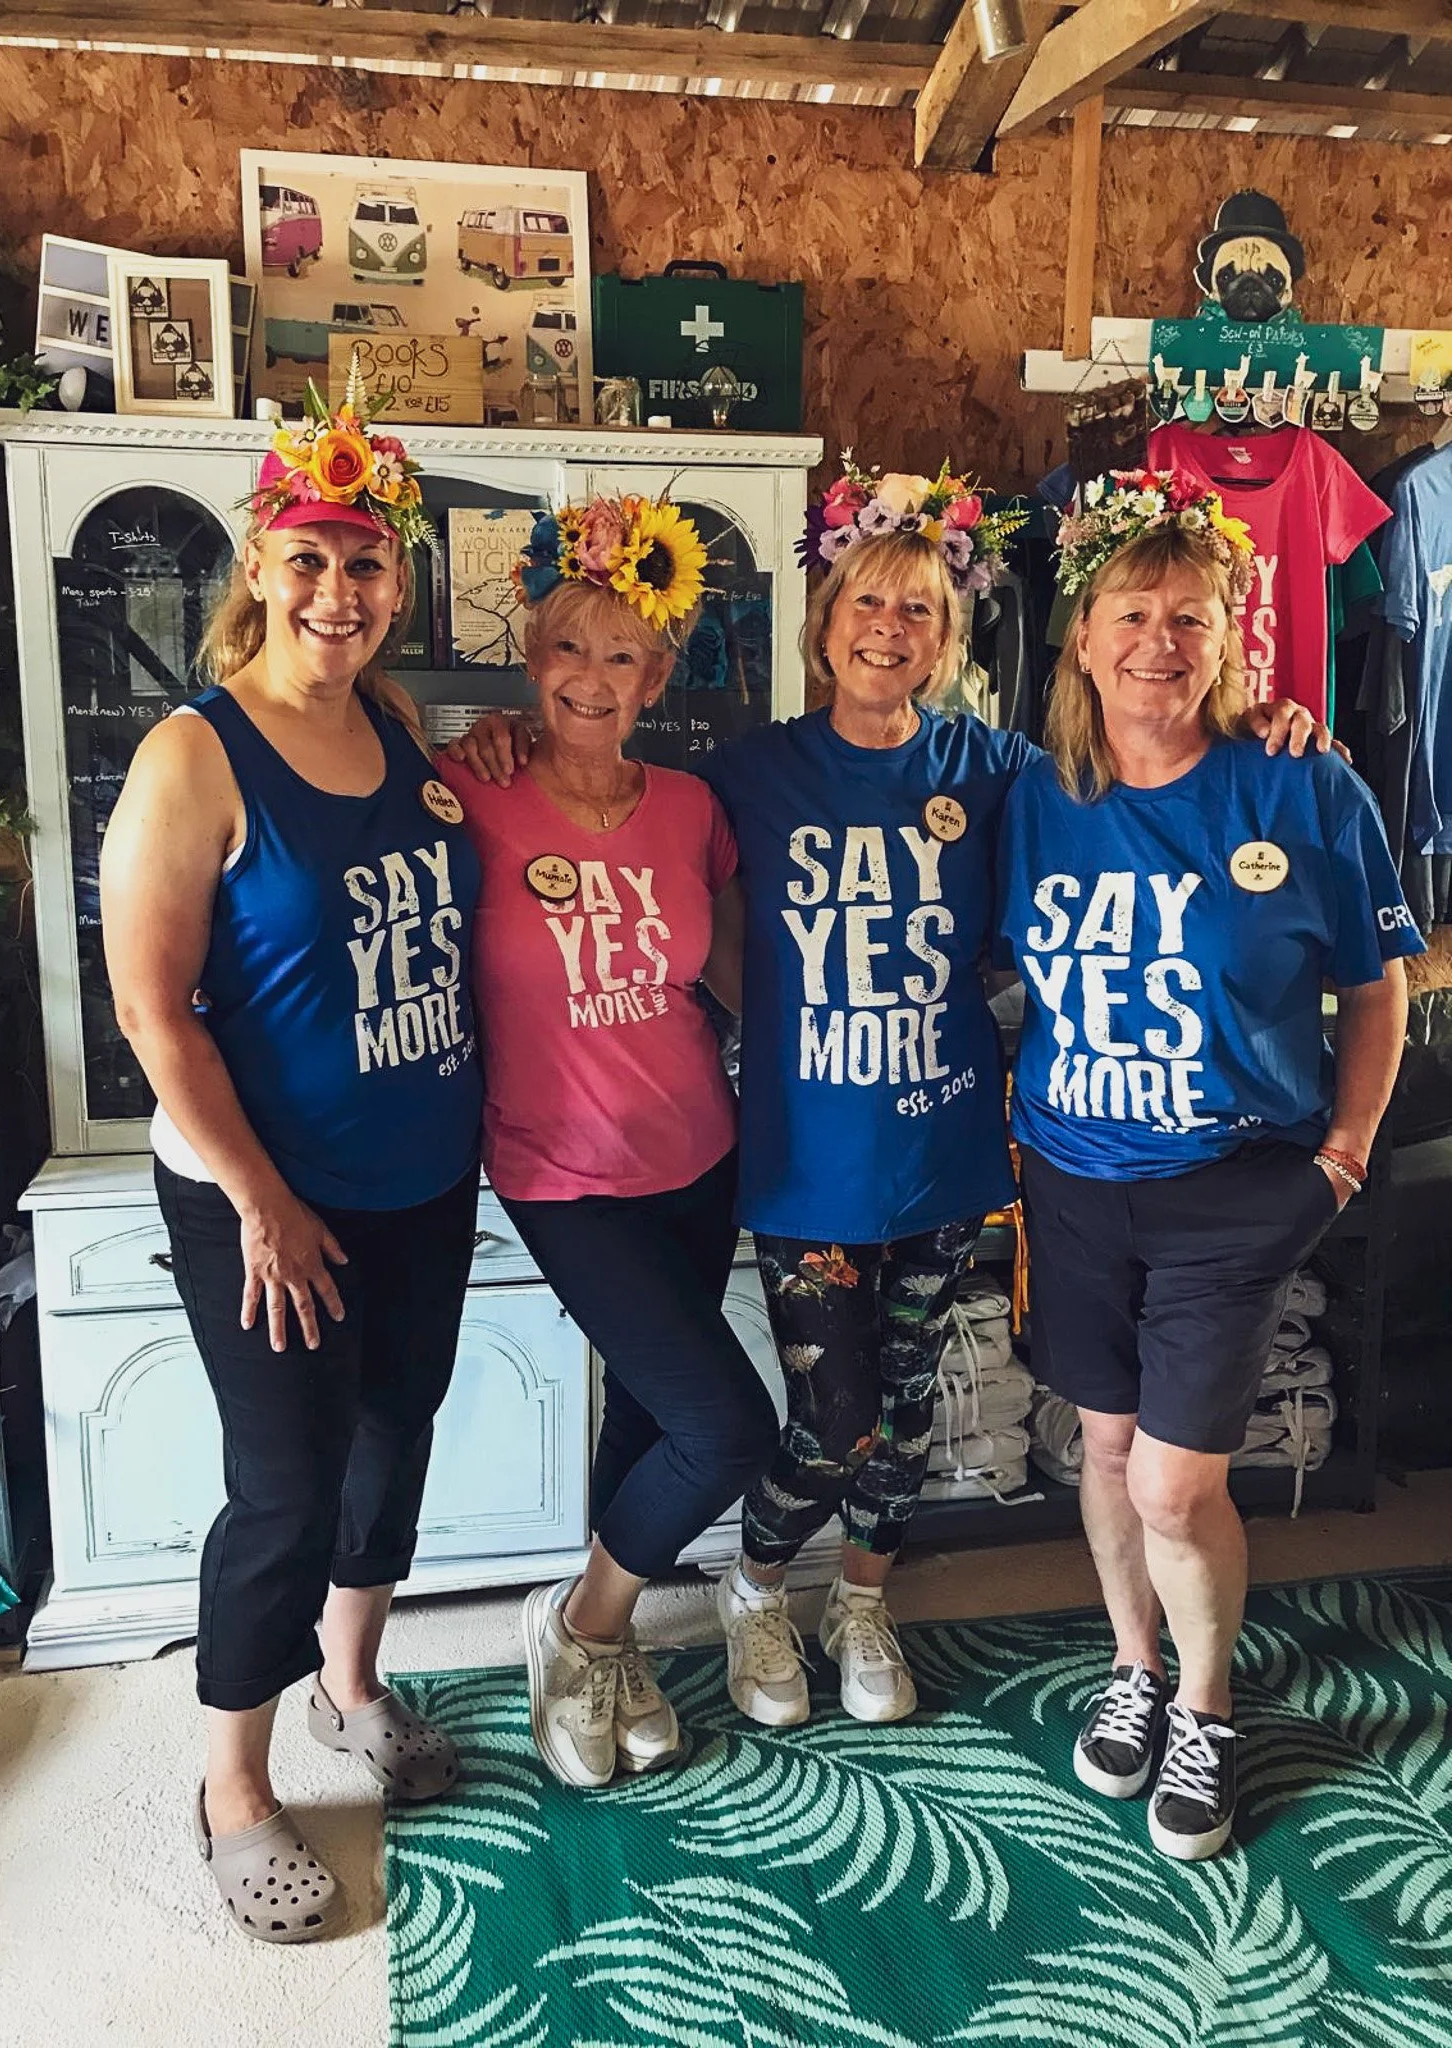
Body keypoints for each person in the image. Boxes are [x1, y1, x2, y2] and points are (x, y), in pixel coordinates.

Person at [453, 458, 1325, 1735]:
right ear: (825, 622)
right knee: (833, 1412)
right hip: (804, 1154)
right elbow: (652, 849)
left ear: (948, 634)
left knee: (911, 1406)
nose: (888, 626)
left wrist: (1265, 724)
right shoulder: (745, 774)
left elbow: (1141, 769)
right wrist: (507, 737)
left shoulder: (1001, 765)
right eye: (866, 599)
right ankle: (758, 1588)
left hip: (946, 1146)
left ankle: (862, 1600)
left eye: (918, 606)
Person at [996, 469, 1421, 1861]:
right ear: (1081, 635)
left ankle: (1207, 1703)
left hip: (1237, 1187)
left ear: (1230, 634)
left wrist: (1345, 1150)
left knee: (1178, 1484)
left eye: (1189, 616)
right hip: (1073, 1179)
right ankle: (1134, 1665)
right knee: (1108, 1446)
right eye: (1131, 613)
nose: (1158, 643)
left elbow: (1377, 985)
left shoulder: (1304, 783)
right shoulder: (1030, 792)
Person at [101, 393, 481, 1941]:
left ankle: (351, 1685)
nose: (339, 590)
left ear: (398, 582)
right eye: (310, 558)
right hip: (266, 1196)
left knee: (394, 1434)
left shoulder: (395, 727)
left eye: (366, 562)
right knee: (283, 1489)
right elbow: (151, 1009)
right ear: (258, 566)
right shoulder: (194, 756)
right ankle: (233, 1786)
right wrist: (260, 1199)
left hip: (420, 1178)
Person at [434, 494, 779, 1791]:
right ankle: (576, 1628)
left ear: (657, 677)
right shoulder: (471, 789)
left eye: (622, 653)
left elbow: (733, 975)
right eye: (569, 647)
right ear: (532, 661)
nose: (592, 675)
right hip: (561, 1172)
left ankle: (613, 1642)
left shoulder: (691, 808)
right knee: (726, 1426)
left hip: (698, 1150)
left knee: (648, 1408)